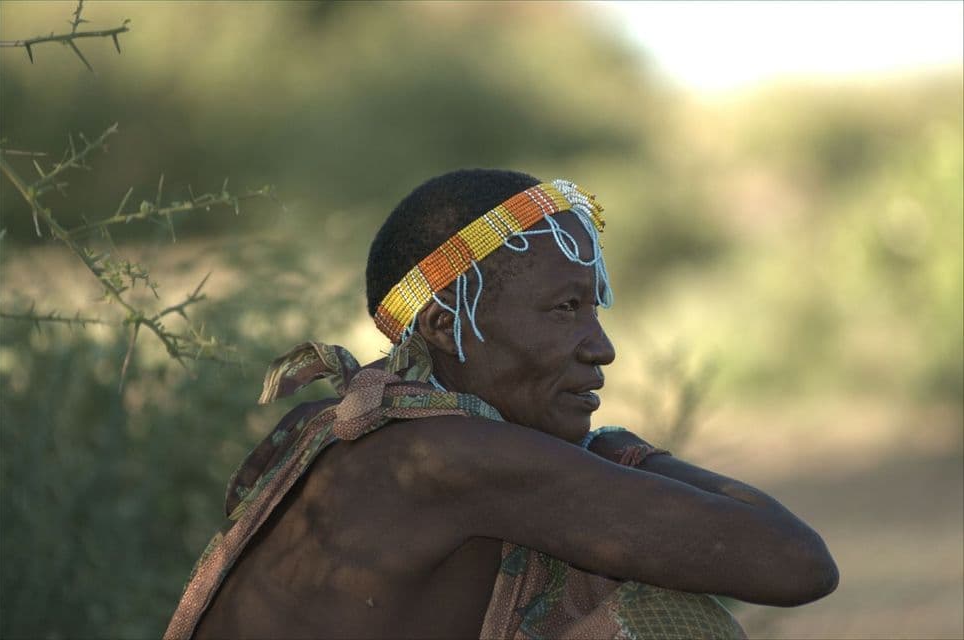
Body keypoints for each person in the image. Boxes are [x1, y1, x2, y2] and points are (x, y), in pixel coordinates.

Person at [165, 169, 838, 639]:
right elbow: (794, 562)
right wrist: (610, 451)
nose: (600, 348)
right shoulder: (447, 457)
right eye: (564, 308)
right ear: (438, 324)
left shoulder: (356, 429)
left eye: (593, 308)